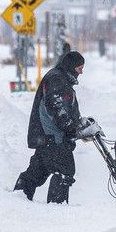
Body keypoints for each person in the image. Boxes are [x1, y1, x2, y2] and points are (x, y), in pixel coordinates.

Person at [13, 50, 97, 204]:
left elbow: (64, 108)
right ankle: (56, 208)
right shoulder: (56, 79)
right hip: (52, 137)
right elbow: (56, 107)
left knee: (37, 172)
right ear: (71, 66)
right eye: (80, 68)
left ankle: (17, 199)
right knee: (65, 170)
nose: (81, 72)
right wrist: (72, 127)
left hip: (46, 136)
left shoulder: (60, 78)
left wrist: (79, 123)